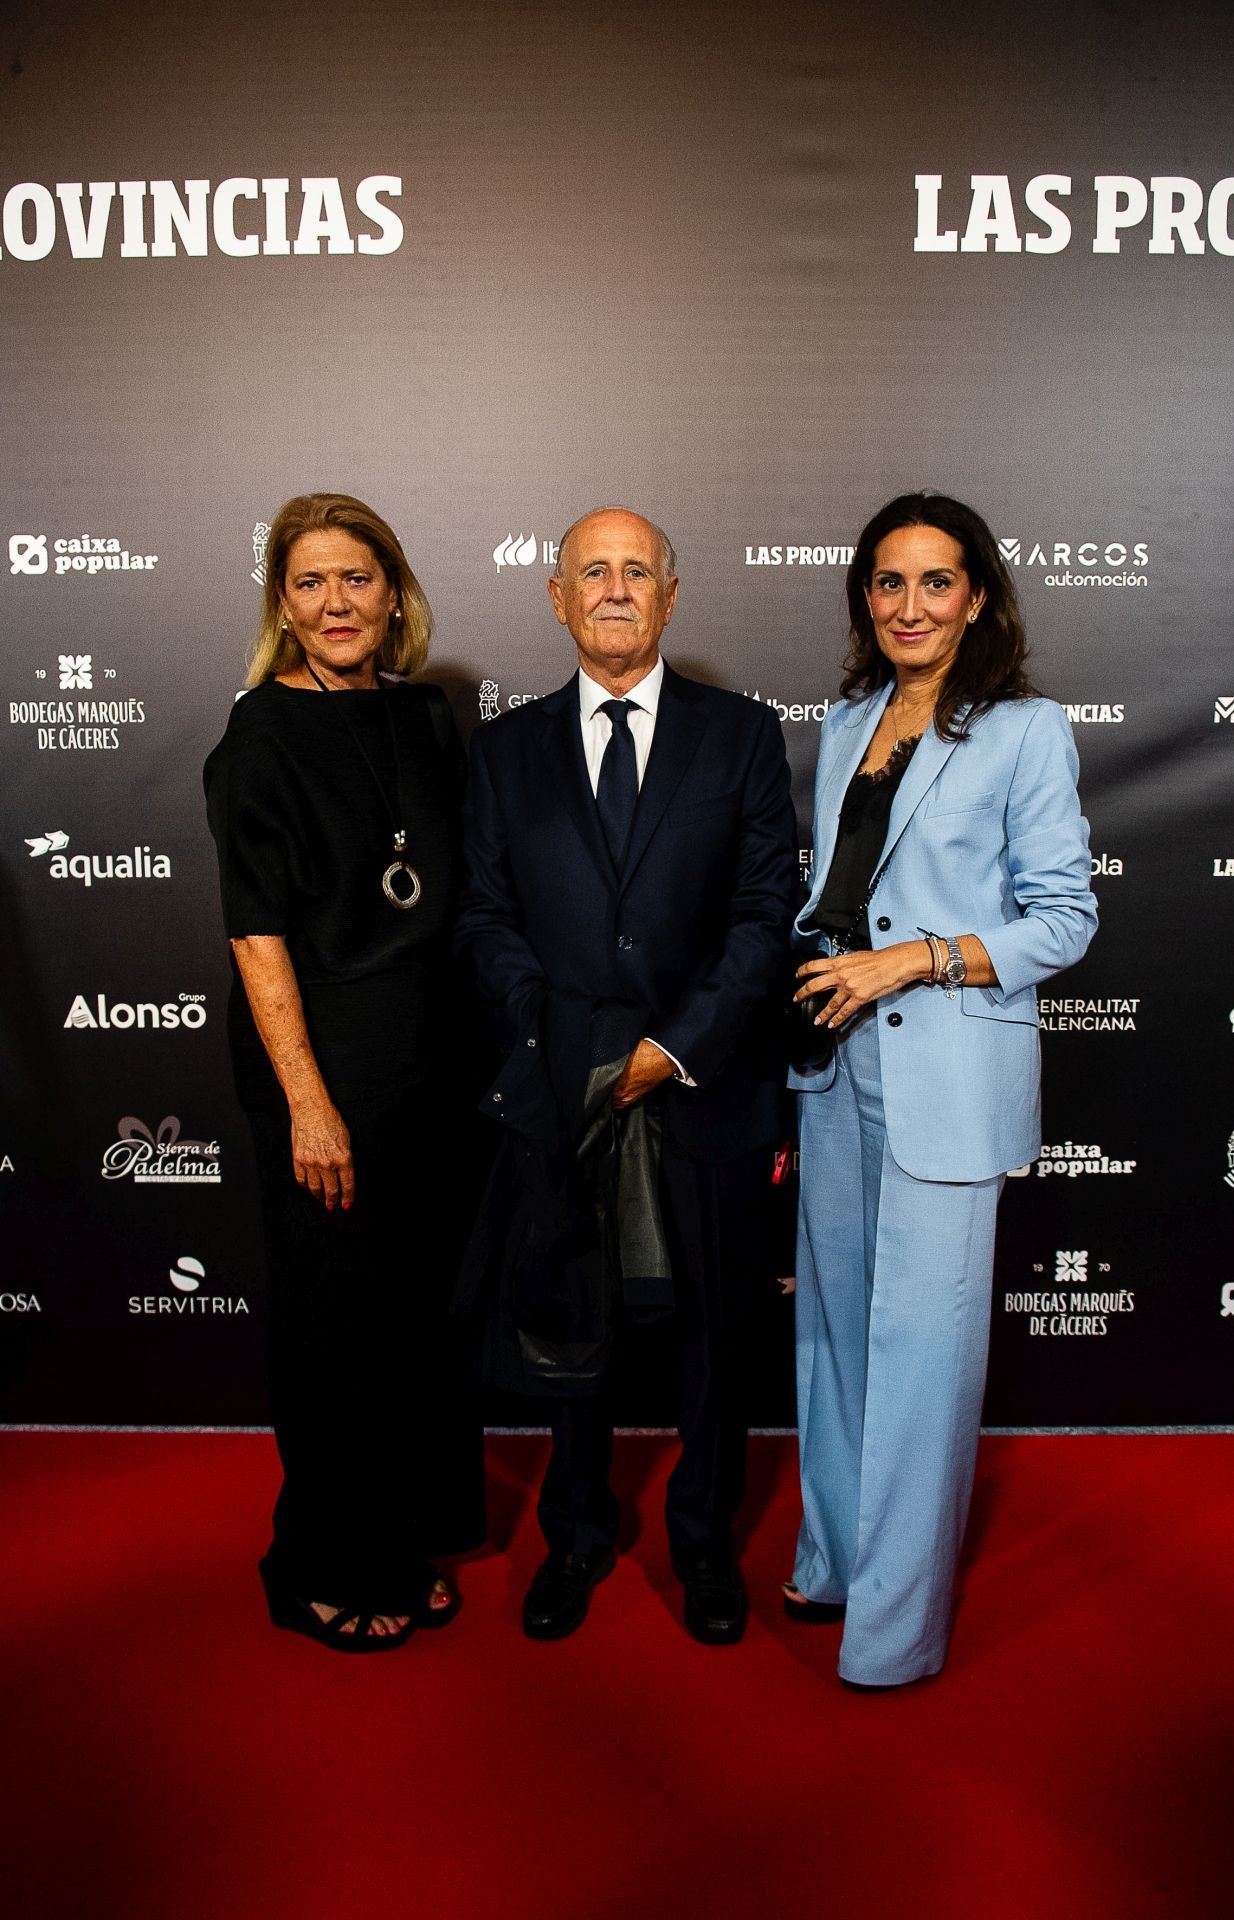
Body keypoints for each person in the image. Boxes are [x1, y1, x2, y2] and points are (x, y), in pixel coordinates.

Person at [456, 507, 796, 1644]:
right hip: (562, 1091)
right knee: (573, 1327)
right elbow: (485, 919)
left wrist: (674, 1046)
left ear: (670, 594)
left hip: (705, 1087)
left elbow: (763, 916)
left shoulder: (740, 737)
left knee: (713, 1338)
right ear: (555, 597)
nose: (613, 588)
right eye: (589, 571)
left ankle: (703, 1546)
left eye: (634, 570)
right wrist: (558, 1040)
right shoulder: (501, 753)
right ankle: (577, 1537)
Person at [785, 491, 1097, 1688]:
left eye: (935, 582)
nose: (908, 605)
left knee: (918, 1351)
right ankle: (832, 1562)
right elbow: (833, 895)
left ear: (975, 598)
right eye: (887, 582)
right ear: (863, 597)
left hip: (946, 1074)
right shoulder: (845, 716)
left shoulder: (1022, 729)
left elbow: (1063, 920)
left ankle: (894, 1633)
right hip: (831, 1067)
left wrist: (915, 958)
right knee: (831, 1336)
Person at [203, 492, 485, 1652]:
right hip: (323, 1071)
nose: (336, 604)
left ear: (392, 591)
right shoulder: (257, 737)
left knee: (416, 1322)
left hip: (433, 1062)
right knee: (335, 1327)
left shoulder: (423, 720)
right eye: (310, 583)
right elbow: (257, 934)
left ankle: (402, 1538)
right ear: (282, 601)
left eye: (356, 579)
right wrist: (309, 1104)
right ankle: (323, 1560)